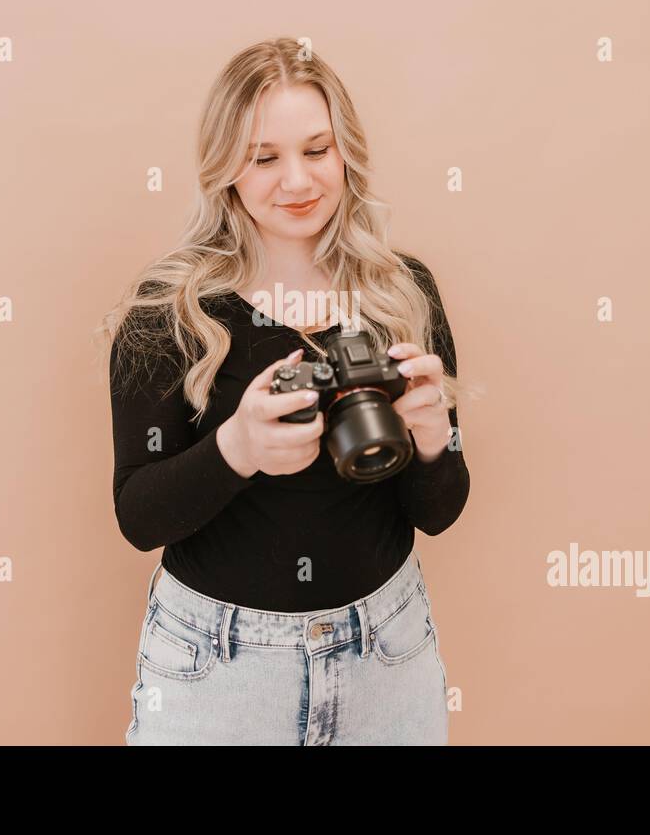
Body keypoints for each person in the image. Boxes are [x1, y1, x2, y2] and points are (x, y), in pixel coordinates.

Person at [95, 38, 471, 745]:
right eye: (264, 157)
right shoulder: (169, 314)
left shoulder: (401, 294)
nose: (297, 181)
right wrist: (237, 447)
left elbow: (438, 512)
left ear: (346, 153)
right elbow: (139, 518)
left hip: (386, 652)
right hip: (218, 667)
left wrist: (430, 441)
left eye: (317, 150)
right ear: (225, 168)